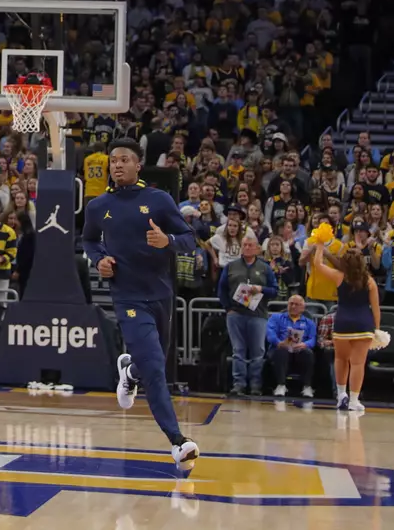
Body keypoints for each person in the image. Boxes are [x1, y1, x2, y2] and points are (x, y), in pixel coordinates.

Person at [81, 138, 201, 468]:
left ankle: (129, 371)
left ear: (138, 165)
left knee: (151, 363)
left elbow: (190, 240)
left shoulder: (159, 200)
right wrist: (98, 260)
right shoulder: (97, 206)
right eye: (113, 161)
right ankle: (178, 441)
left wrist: (168, 241)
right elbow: (88, 240)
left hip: (161, 294)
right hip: (127, 296)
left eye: (123, 160)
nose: (117, 165)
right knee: (155, 367)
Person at [308, 240, 379, 412]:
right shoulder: (370, 282)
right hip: (363, 325)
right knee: (357, 364)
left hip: (342, 324)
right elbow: (376, 309)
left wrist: (319, 247)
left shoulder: (339, 277)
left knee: (340, 359)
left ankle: (341, 396)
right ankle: (354, 400)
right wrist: (377, 329)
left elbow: (317, 264)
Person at [217, 232, 276, 397]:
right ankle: (239, 384)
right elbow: (221, 288)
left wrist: (261, 289)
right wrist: (227, 307)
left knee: (258, 351)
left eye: (251, 245)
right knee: (238, 350)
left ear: (257, 248)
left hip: (258, 315)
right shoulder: (231, 266)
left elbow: (275, 291)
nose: (247, 248)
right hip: (235, 314)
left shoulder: (265, 268)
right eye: (245, 245)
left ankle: (256, 385)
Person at [263, 292, 317, 400]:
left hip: (299, 350)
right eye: (291, 304)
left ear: (303, 308)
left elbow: (313, 339)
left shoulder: (309, 322)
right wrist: (279, 342)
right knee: (281, 351)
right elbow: (270, 333)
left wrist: (304, 344)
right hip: (281, 348)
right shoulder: (276, 318)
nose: (293, 306)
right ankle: (281, 385)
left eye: (297, 304)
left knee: (308, 353)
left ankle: (307, 386)